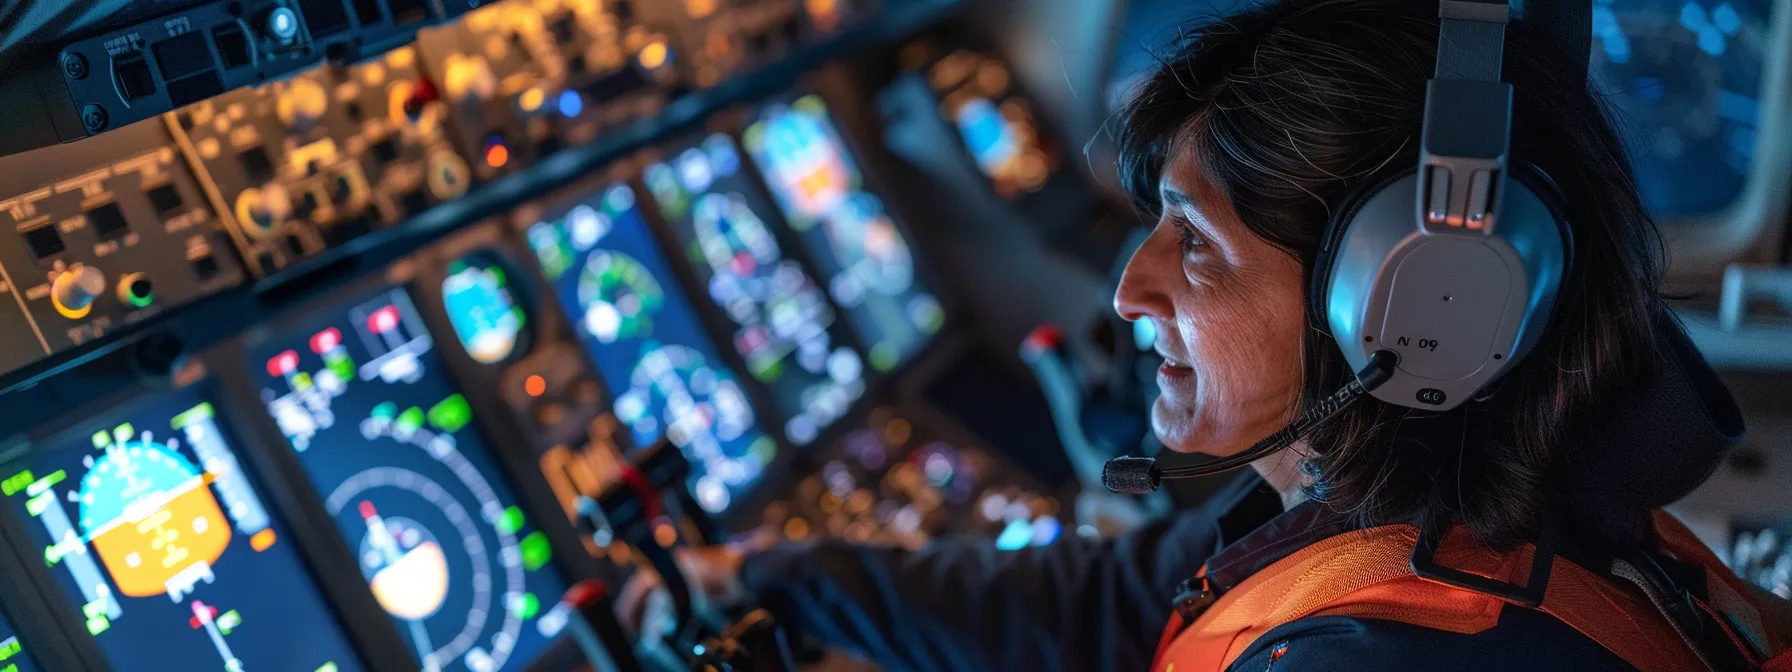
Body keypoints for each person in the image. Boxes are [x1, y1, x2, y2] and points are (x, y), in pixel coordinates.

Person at [618, 1, 1785, 669]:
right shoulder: (1431, 517)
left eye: (1194, 240)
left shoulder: (1377, 657)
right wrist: (771, 580)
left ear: (1415, 302)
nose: (1127, 292)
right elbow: (1108, 601)